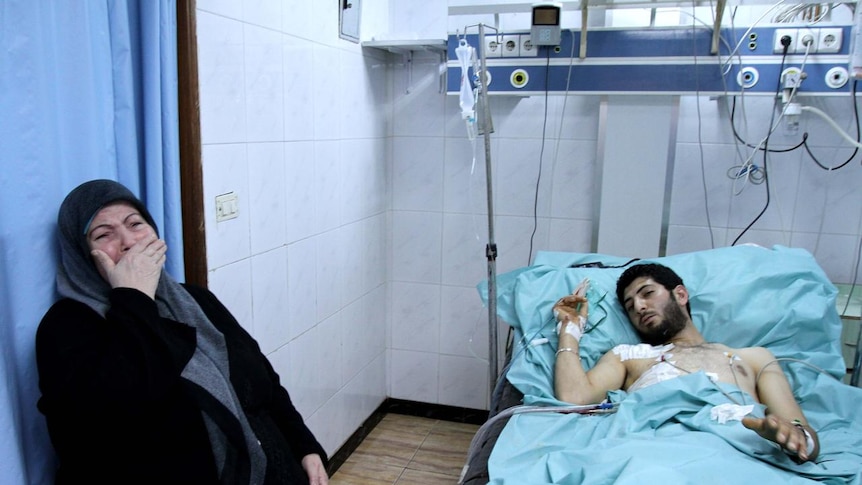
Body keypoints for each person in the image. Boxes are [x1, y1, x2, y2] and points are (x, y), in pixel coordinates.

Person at [35, 179, 329, 484]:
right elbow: (115, 414)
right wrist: (133, 298)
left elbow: (264, 380)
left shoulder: (195, 300)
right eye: (103, 234)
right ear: (81, 255)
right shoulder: (66, 326)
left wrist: (304, 446)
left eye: (135, 223)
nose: (129, 241)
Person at [553, 262, 820, 463]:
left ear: (680, 295)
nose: (639, 307)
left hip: (736, 452)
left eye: (647, 293)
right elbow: (574, 396)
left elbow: (801, 432)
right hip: (655, 456)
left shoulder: (753, 358)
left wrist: (793, 437)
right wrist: (570, 328)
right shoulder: (629, 356)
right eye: (630, 306)